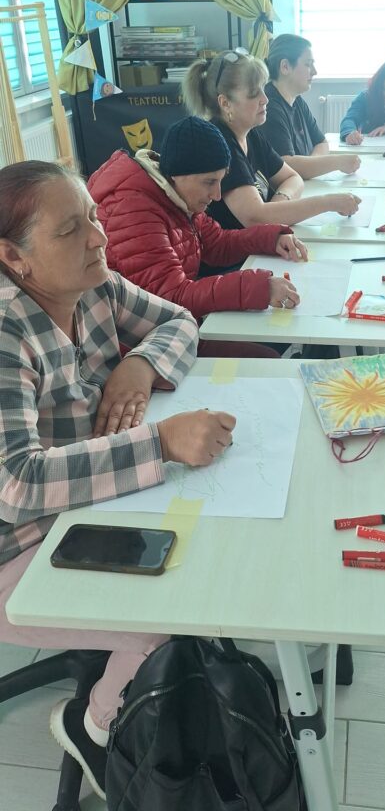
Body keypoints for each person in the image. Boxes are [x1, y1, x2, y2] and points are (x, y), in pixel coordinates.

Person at [0, 160, 236, 799]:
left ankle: (157, 688)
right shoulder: (7, 330)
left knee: (209, 559)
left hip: (89, 504)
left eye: (94, 218)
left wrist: (139, 366)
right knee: (170, 617)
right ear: (14, 259)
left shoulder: (93, 285)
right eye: (70, 230)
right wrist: (159, 442)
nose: (98, 238)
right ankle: (92, 724)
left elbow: (179, 321)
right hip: (19, 544)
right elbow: (17, 483)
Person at [88, 116, 306, 346]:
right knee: (266, 352)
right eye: (209, 182)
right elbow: (173, 297)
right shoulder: (133, 209)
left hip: (176, 322)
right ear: (178, 174)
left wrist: (271, 238)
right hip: (142, 342)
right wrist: (260, 287)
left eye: (220, 181)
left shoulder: (176, 194)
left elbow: (218, 244)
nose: (217, 195)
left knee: (268, 339)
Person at [183, 49, 361, 231]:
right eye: (254, 93)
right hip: (240, 249)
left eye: (263, 88)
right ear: (225, 103)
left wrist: (276, 208)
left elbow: (293, 178)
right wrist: (328, 202)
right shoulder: (219, 144)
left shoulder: (250, 134)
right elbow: (255, 219)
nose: (265, 99)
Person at [259, 33, 362, 180]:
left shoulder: (297, 100)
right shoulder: (269, 107)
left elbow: (322, 142)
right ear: (285, 67)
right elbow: (285, 166)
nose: (314, 71)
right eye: (308, 64)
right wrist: (337, 162)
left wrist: (310, 166)